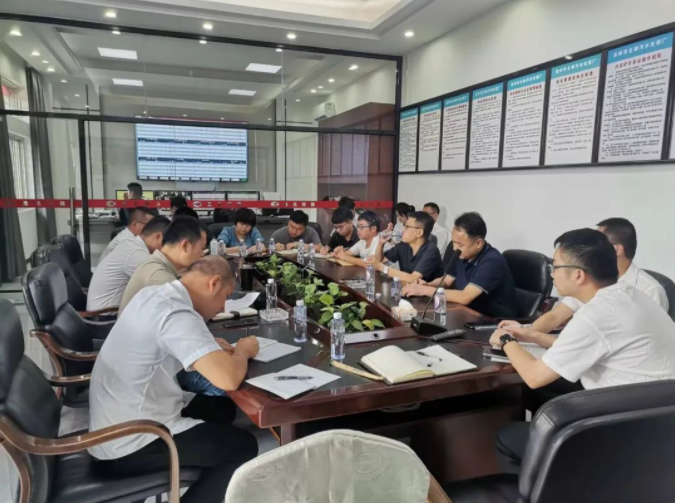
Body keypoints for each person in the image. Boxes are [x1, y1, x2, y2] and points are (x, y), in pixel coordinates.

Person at [490, 229, 675, 473]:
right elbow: (594, 345)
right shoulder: (631, 295)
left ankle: (551, 483)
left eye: (555, 266)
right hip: (659, 424)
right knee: (546, 390)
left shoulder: (595, 314)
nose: (552, 274)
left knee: (508, 437)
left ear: (578, 275)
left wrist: (505, 340)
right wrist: (532, 335)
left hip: (625, 432)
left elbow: (535, 376)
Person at [89, 256, 260, 503]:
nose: (223, 308)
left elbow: (164, 341)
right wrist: (242, 351)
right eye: (225, 297)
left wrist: (208, 344)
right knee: (242, 447)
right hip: (131, 443)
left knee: (220, 407)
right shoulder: (176, 313)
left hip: (115, 425)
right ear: (213, 283)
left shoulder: (154, 295)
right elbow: (228, 379)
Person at [498, 217, 669, 336]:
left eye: (599, 241)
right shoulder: (591, 278)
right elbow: (556, 315)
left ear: (617, 249)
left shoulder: (649, 290)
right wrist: (524, 332)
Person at [402, 212, 518, 318]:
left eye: (460, 245)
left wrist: (424, 290)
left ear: (478, 243)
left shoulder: (492, 261)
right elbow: (446, 281)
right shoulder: (461, 254)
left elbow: (465, 296)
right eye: (453, 242)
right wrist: (428, 284)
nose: (454, 248)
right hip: (467, 313)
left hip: (492, 321)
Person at [119, 217, 209, 314]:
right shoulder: (159, 275)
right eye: (202, 248)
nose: (202, 254)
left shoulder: (157, 263)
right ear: (185, 246)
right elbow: (185, 314)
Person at [87, 216, 171, 311]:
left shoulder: (132, 245)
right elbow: (164, 285)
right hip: (106, 314)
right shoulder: (136, 253)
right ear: (158, 237)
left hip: (107, 309)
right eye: (168, 242)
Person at [368, 211, 443, 283]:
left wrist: (381, 267)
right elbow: (379, 260)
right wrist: (380, 243)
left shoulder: (431, 251)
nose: (403, 230)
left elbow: (413, 279)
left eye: (407, 226)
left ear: (419, 232)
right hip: (407, 288)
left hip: (428, 291)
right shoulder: (404, 245)